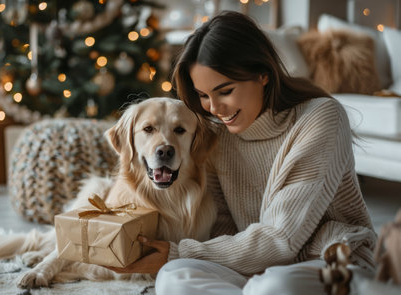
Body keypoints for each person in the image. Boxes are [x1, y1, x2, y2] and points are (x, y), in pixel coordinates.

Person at [108, 11, 377, 295]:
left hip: (332, 260)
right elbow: (223, 226)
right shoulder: (220, 135)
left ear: (262, 74)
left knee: (274, 287)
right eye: (202, 95)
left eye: (225, 91)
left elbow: (281, 239)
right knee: (173, 277)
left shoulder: (321, 118)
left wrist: (175, 251)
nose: (214, 108)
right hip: (255, 267)